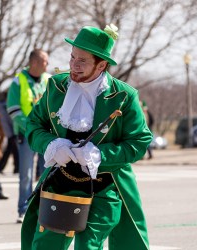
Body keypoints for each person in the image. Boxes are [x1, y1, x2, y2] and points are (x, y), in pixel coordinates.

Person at [22, 25, 153, 250]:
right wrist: (51, 145)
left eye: (82, 61)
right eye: (72, 57)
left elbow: (138, 142)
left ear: (101, 65)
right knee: (47, 245)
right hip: (61, 181)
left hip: (106, 185)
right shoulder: (56, 86)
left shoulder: (124, 96)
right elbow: (33, 125)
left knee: (87, 246)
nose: (74, 65)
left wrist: (99, 154)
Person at [6, 49, 50, 223]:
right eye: (45, 61)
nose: (47, 64)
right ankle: (23, 210)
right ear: (34, 63)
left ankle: (44, 209)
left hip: (46, 136)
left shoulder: (48, 80)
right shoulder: (19, 81)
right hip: (27, 136)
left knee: (48, 173)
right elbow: (13, 109)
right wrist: (32, 127)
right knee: (26, 174)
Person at [0, 92, 19, 174]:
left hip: (13, 131)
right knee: (13, 150)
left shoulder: (5, 105)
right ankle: (14, 167)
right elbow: (5, 122)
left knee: (11, 149)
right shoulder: (3, 106)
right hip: (11, 132)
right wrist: (10, 134)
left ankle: (2, 167)